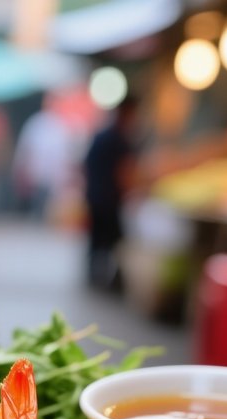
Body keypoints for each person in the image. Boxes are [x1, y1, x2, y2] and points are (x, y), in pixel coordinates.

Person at [83, 94, 143, 289]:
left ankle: (96, 277)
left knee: (98, 239)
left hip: (95, 196)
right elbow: (124, 173)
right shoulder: (119, 139)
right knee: (114, 240)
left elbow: (86, 165)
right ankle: (110, 280)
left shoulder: (102, 136)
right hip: (108, 199)